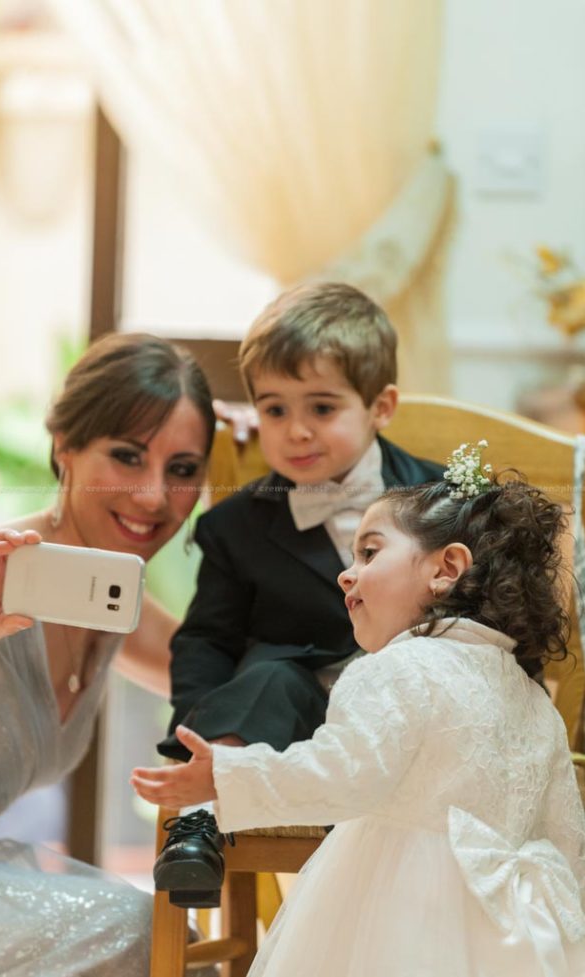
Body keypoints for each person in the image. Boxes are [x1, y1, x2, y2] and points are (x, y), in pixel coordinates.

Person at [132, 443, 585, 977]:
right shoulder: (532, 697)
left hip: (401, 904)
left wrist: (228, 775)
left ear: (446, 568)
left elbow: (341, 776)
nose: (346, 573)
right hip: (519, 932)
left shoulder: (393, 669)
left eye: (369, 553)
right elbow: (569, 845)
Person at [154, 281, 443, 906]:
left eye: (321, 408)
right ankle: (200, 820)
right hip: (297, 722)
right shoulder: (237, 525)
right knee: (270, 673)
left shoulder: (442, 499)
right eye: (275, 410)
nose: (296, 433)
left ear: (381, 406)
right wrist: (198, 729)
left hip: (413, 719)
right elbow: (207, 638)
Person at [0, 332, 217, 977]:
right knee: (143, 937)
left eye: (182, 469)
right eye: (128, 457)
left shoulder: (110, 600)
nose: (156, 497)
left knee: (179, 947)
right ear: (64, 449)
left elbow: (222, 678)